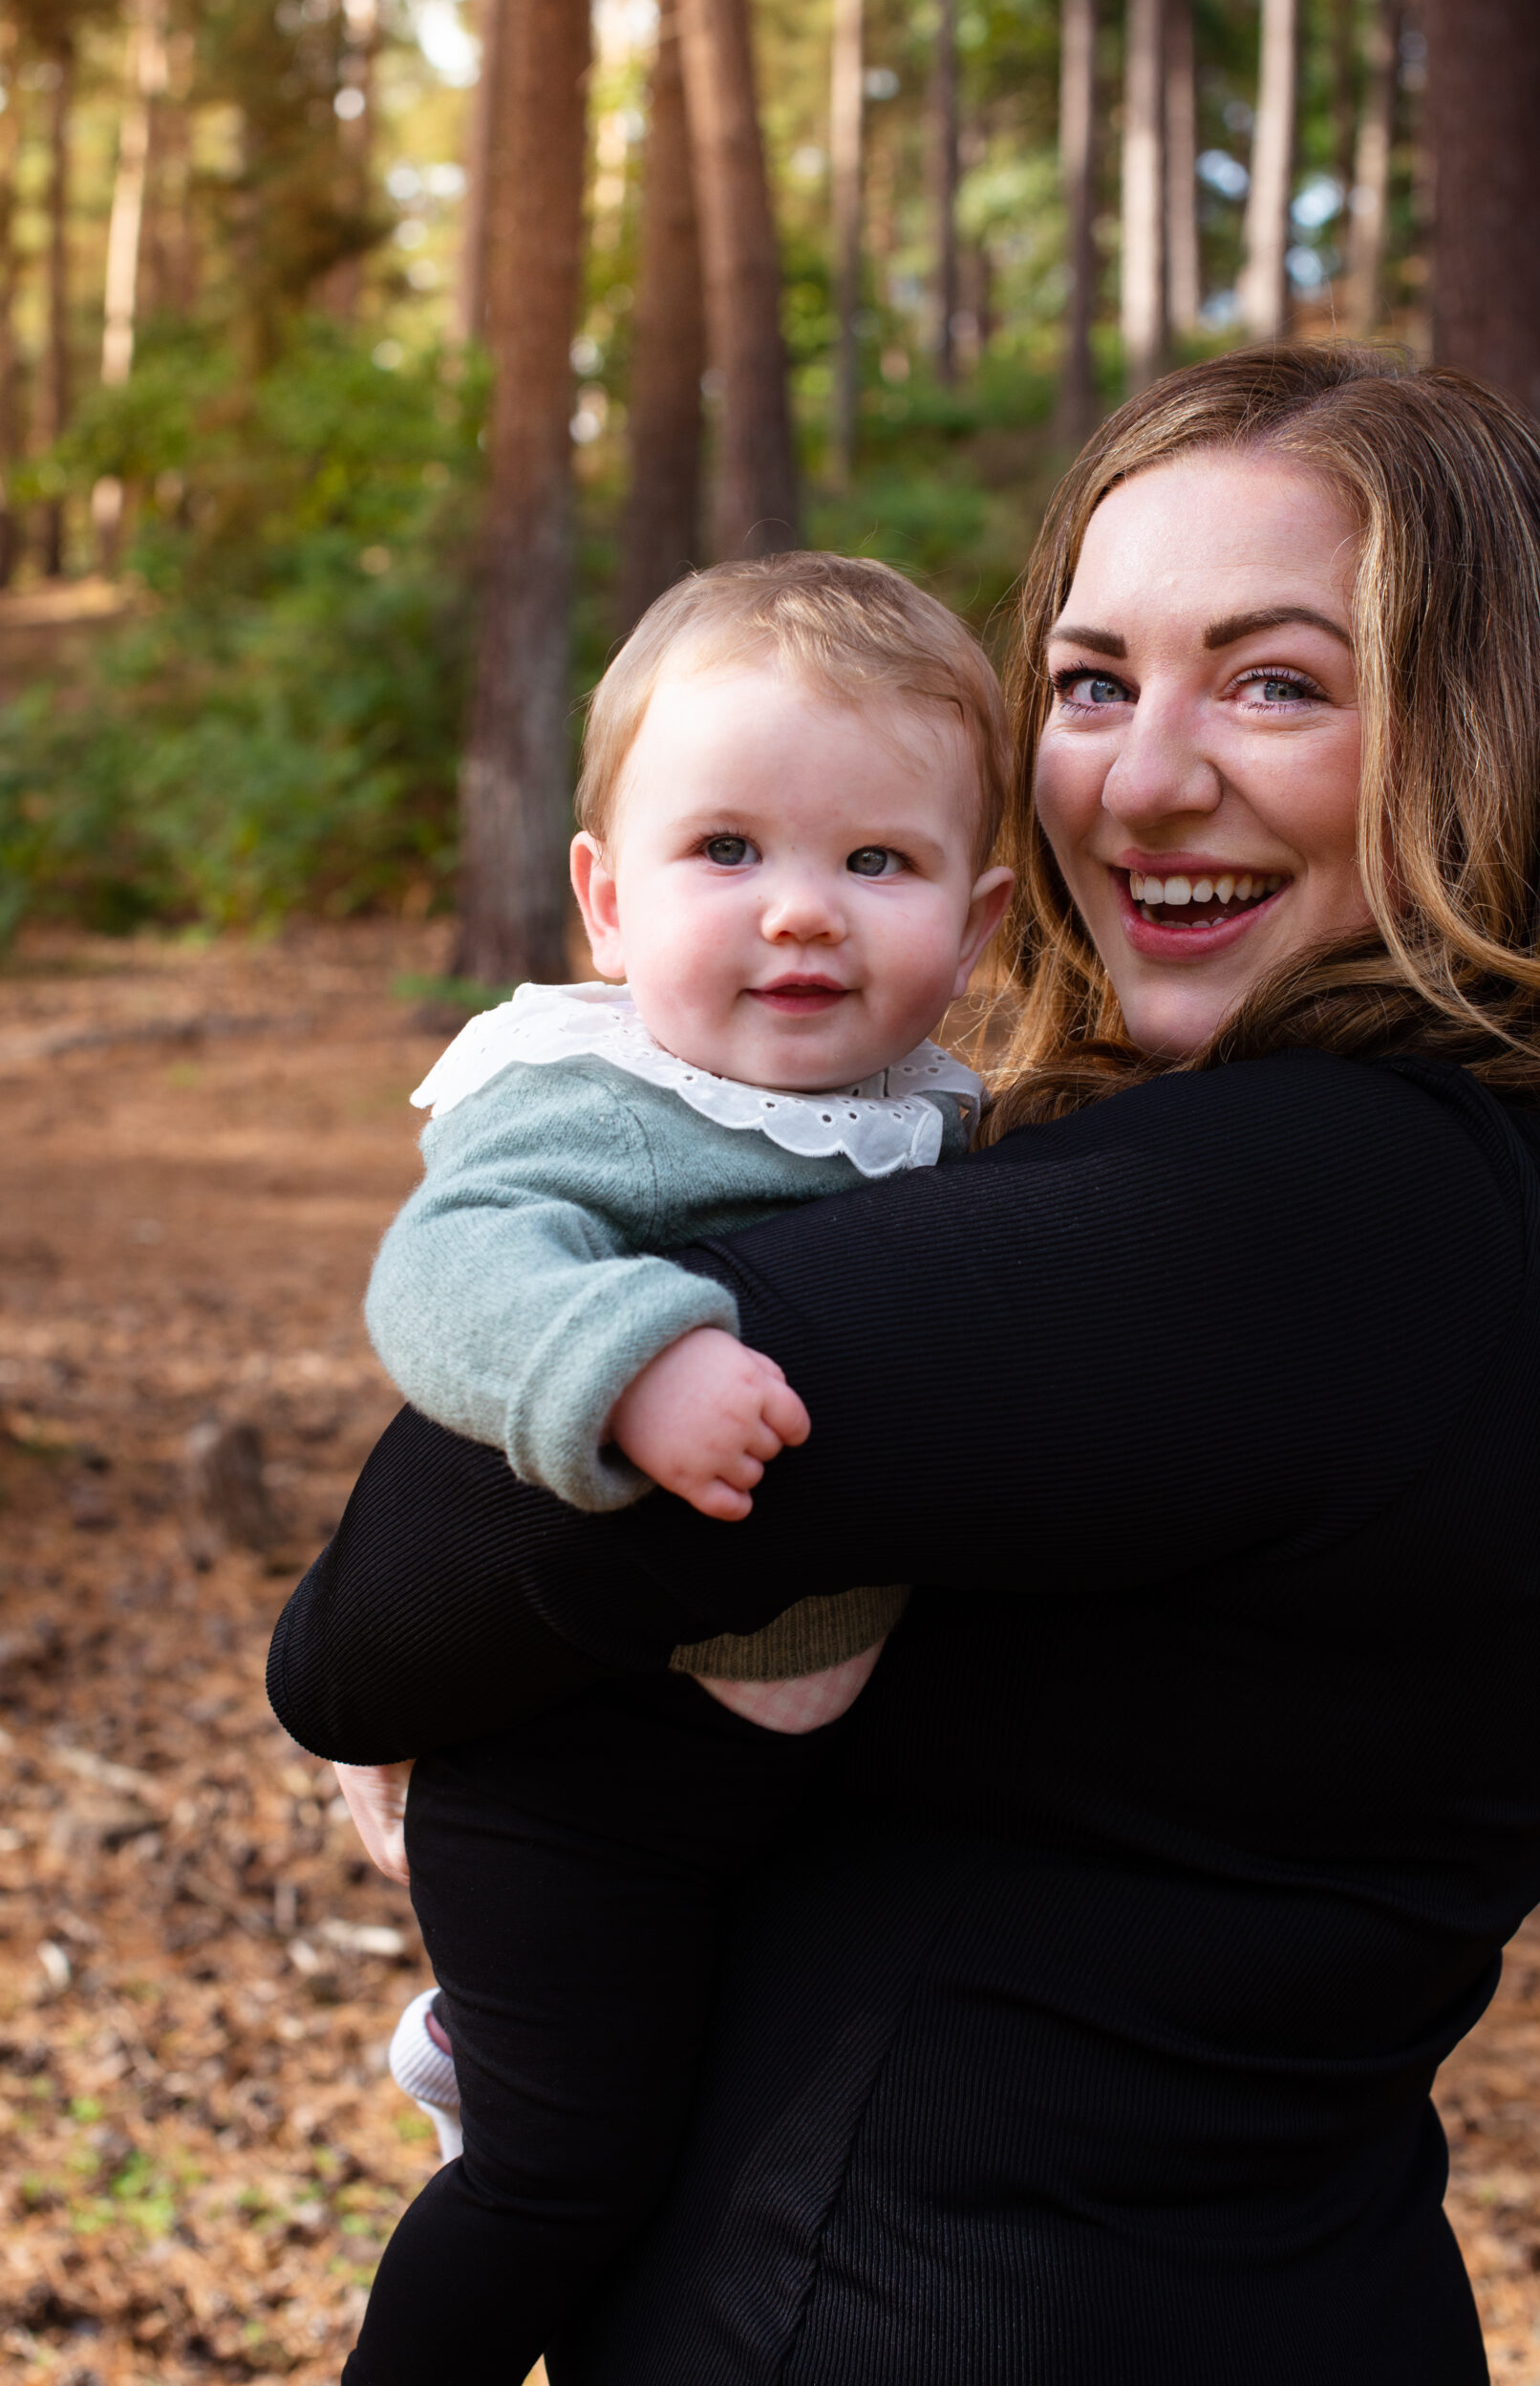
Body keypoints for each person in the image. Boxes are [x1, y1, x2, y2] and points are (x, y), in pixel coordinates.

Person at [269, 341, 1540, 2384]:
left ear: (1488, 735)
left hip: (933, 2307)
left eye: (1276, 683)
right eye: (1091, 681)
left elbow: (373, 1620)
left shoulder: (1301, 1207)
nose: (1140, 780)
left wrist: (443, 1661)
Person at [299, 553, 1014, 2386]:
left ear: (978, 920)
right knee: (563, 2179)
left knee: (688, 2158)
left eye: (878, 861)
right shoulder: (600, 1102)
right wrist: (628, 1362)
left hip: (765, 1789)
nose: (802, 911)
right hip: (570, 1784)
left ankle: (502, 2051)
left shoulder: (943, 1127)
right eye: (726, 850)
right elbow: (445, 1275)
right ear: (606, 903)